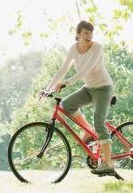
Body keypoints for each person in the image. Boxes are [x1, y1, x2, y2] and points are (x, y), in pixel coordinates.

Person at [43, 20, 115, 176]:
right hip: (89, 88)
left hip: (103, 88)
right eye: (85, 33)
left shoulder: (97, 48)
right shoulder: (73, 49)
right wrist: (47, 89)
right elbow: (63, 69)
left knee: (99, 121)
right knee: (66, 105)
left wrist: (66, 83)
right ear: (78, 35)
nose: (89, 36)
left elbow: (85, 70)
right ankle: (89, 132)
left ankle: (109, 164)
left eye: (91, 33)